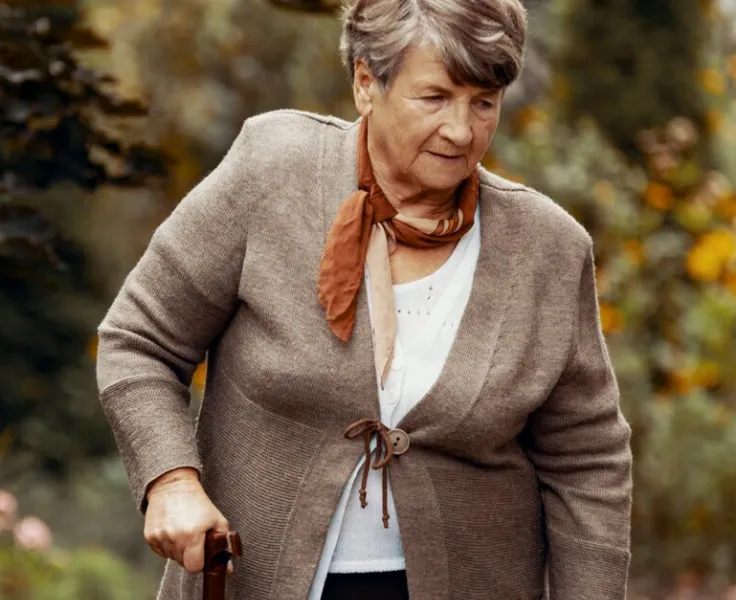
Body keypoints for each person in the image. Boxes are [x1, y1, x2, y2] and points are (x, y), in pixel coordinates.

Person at [95, 0, 634, 598]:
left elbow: (587, 460)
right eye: (435, 98)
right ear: (365, 83)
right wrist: (170, 479)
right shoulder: (273, 172)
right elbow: (139, 340)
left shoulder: (549, 248)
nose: (462, 130)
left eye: (484, 102)